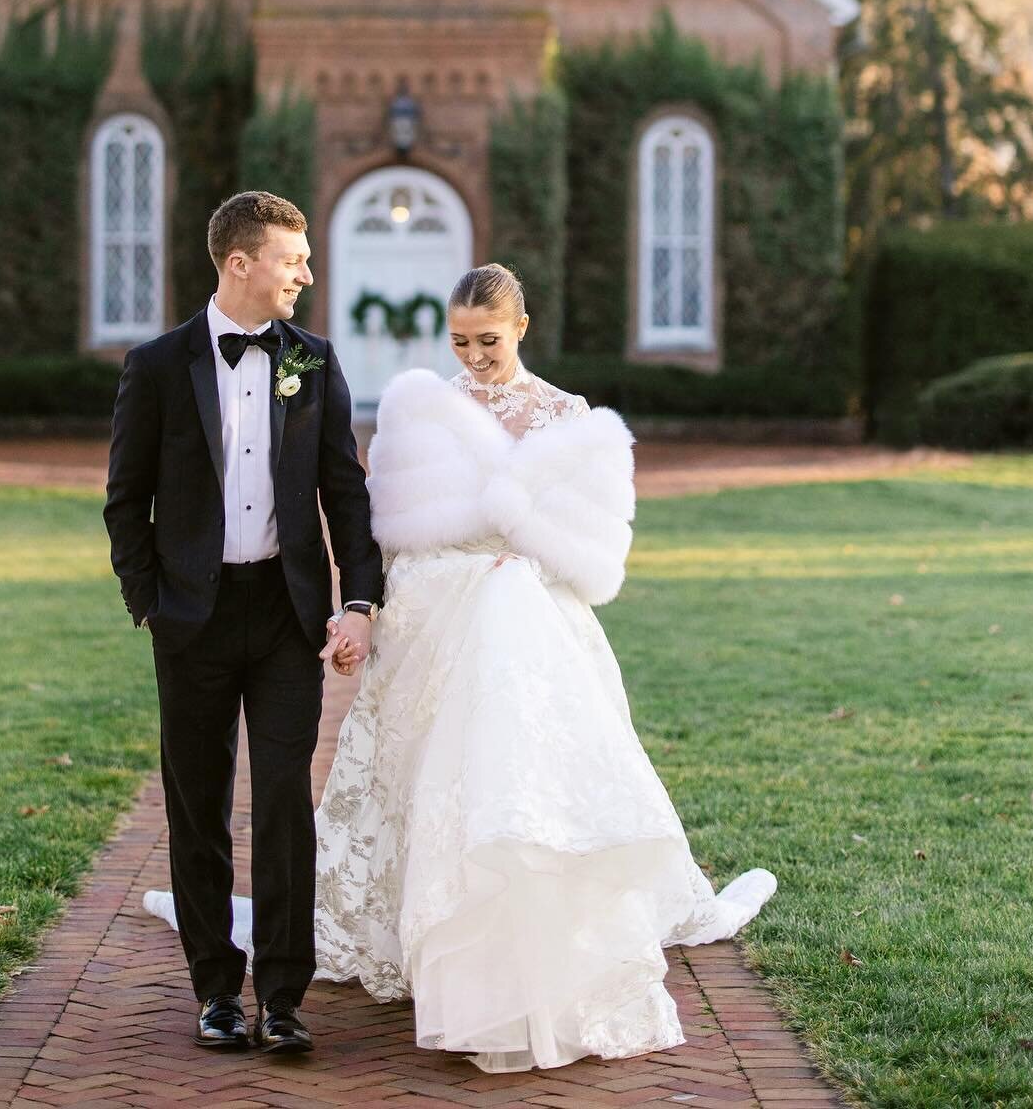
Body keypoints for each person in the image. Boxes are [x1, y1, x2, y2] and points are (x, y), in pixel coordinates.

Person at [313, 261, 777, 1071]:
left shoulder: (570, 418)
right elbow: (393, 531)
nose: (474, 357)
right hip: (432, 623)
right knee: (422, 775)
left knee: (519, 774)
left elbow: (592, 553)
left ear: (520, 328)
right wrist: (380, 604)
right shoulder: (426, 412)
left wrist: (525, 564)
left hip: (527, 623)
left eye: (487, 340)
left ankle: (520, 934)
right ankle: (415, 925)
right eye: (459, 341)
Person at [104, 190, 384, 1058]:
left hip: (284, 615)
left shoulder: (316, 362)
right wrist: (149, 599)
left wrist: (360, 602)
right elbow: (126, 500)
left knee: (284, 807)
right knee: (196, 807)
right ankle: (217, 990)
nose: (305, 272)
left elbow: (346, 491)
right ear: (240, 263)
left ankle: (285, 996)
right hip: (190, 616)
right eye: (292, 259)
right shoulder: (157, 367)